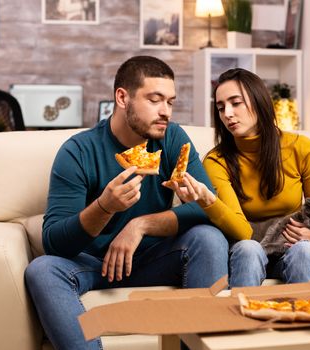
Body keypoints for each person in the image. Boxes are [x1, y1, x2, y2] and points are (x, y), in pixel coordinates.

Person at [25, 56, 228, 350]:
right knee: (42, 270)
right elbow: (54, 241)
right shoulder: (78, 151)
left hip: (154, 259)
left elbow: (207, 205)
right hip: (95, 265)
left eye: (170, 102)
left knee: (209, 239)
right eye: (155, 100)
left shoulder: (171, 138)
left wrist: (140, 225)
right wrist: (104, 207)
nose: (165, 112)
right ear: (122, 97)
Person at [165, 68, 310, 288]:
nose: (228, 114)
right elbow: (244, 234)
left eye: (236, 103)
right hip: (244, 252)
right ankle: (244, 321)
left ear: (258, 100)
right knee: (249, 249)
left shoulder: (303, 148)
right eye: (221, 108)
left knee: (306, 250)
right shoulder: (217, 160)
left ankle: (306, 319)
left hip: (290, 249)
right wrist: (206, 200)